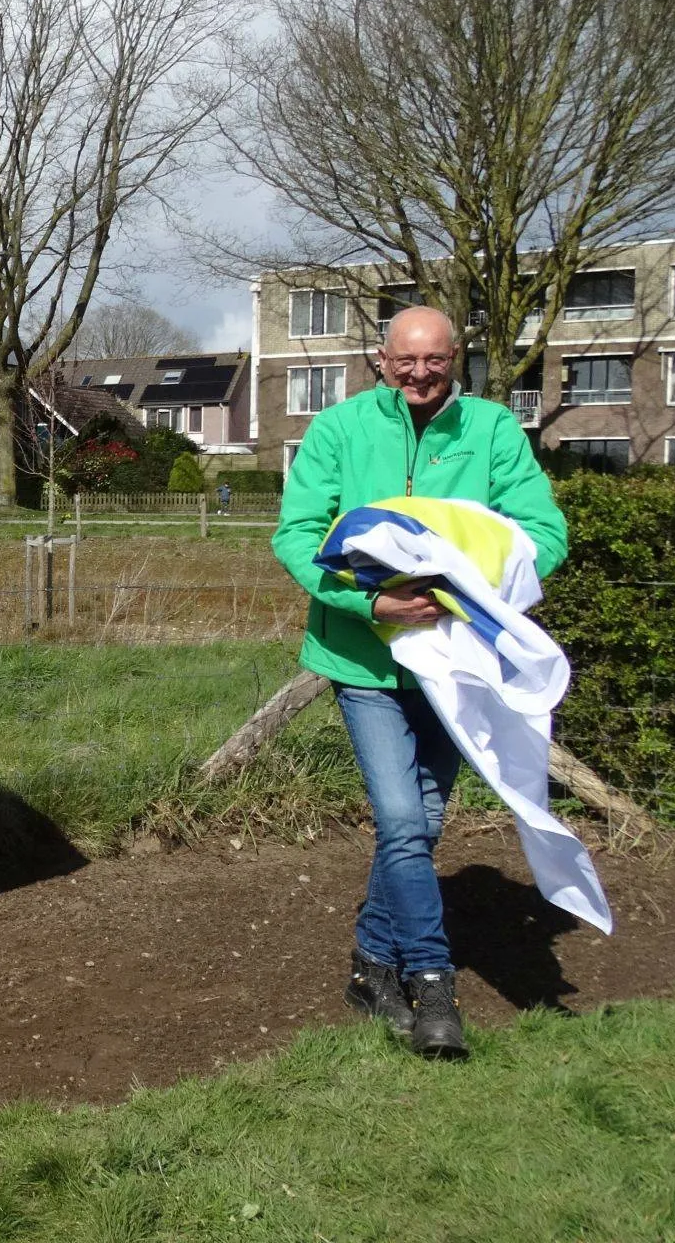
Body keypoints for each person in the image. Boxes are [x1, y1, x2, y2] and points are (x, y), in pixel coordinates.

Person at [270, 305, 566, 1060]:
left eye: (434, 361)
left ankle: (372, 964)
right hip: (364, 660)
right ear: (380, 358)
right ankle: (433, 984)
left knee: (419, 826)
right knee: (402, 819)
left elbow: (542, 534)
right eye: (404, 360)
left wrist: (471, 588)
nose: (419, 374)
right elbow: (298, 535)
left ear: (456, 358)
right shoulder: (339, 431)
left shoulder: (493, 430)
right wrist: (368, 599)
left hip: (457, 665)